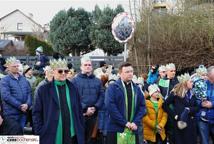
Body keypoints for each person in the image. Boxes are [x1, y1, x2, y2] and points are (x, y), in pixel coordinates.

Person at [33, 58, 84, 144]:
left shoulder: (73, 88)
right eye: (60, 71)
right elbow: (36, 113)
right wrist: (40, 131)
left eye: (66, 71)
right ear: (53, 72)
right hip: (51, 134)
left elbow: (79, 109)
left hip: (72, 134)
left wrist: (81, 126)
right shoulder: (43, 90)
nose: (63, 73)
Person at [105, 62, 146, 144]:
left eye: (131, 71)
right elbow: (111, 107)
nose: (130, 74)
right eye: (127, 72)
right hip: (116, 129)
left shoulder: (136, 88)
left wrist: (135, 122)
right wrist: (125, 123)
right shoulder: (112, 88)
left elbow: (142, 107)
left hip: (133, 129)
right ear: (120, 74)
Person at [72, 56, 104, 144]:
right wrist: (85, 109)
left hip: (94, 115)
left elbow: (102, 95)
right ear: (81, 67)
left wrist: (95, 107)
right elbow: (74, 98)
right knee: (80, 139)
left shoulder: (98, 81)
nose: (87, 66)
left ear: (92, 67)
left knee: (92, 140)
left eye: (89, 65)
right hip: (80, 115)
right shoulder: (74, 81)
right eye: (85, 65)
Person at [163, 73, 199, 144]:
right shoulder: (176, 92)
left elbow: (197, 107)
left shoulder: (193, 93)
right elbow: (165, 105)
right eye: (191, 81)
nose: (193, 83)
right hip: (180, 124)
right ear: (185, 82)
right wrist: (174, 115)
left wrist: (189, 109)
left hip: (191, 124)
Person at [0, 57, 32, 128]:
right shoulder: (4, 80)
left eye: (17, 66)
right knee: (13, 135)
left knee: (20, 135)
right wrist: (20, 106)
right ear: (8, 67)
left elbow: (29, 93)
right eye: (14, 66)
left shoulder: (24, 79)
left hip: (23, 114)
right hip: (11, 115)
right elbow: (6, 96)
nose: (16, 67)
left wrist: (27, 104)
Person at [197, 66, 214, 144]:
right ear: (207, 76)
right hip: (203, 119)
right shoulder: (201, 84)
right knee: (204, 142)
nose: (212, 81)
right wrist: (201, 103)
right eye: (211, 78)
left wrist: (212, 104)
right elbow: (195, 99)